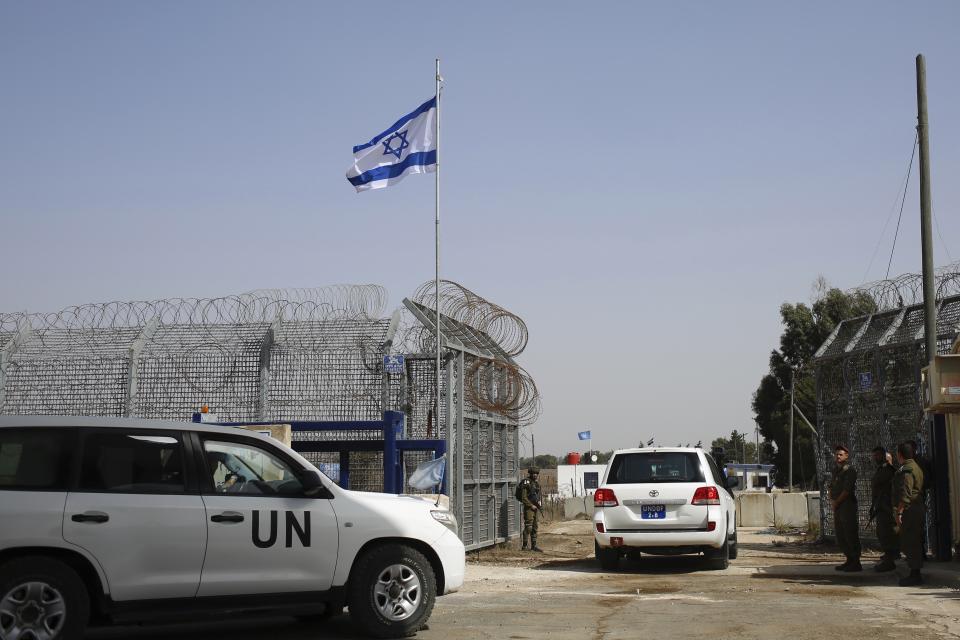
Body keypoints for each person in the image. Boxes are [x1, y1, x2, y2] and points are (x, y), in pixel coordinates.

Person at [894, 441, 925, 586]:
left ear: (899, 455)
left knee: (911, 541)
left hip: (910, 509)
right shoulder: (915, 467)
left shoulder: (907, 470)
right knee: (914, 539)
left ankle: (915, 574)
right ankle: (914, 572)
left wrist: (899, 512)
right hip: (916, 507)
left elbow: (905, 493)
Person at [829, 444, 861, 571]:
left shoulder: (850, 470)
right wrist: (831, 499)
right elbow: (831, 486)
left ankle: (856, 561)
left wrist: (836, 502)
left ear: (846, 456)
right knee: (840, 534)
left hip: (847, 505)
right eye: (836, 454)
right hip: (838, 505)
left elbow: (847, 490)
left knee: (850, 533)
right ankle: (849, 559)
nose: (838, 456)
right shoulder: (836, 470)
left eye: (841, 454)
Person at [869, 446, 899, 572]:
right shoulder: (881, 469)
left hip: (886, 506)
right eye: (874, 455)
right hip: (881, 505)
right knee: (882, 532)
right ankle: (889, 556)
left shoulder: (888, 470)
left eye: (878, 455)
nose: (875, 457)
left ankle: (890, 559)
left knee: (886, 533)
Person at [519, 467, 543, 552]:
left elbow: (538, 496)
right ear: (530, 474)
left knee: (535, 527)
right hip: (529, 508)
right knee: (528, 526)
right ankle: (524, 546)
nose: (535, 475)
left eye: (536, 474)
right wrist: (531, 505)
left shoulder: (536, 484)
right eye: (534, 473)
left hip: (535, 508)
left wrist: (539, 505)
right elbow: (523, 498)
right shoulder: (527, 482)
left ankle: (534, 546)